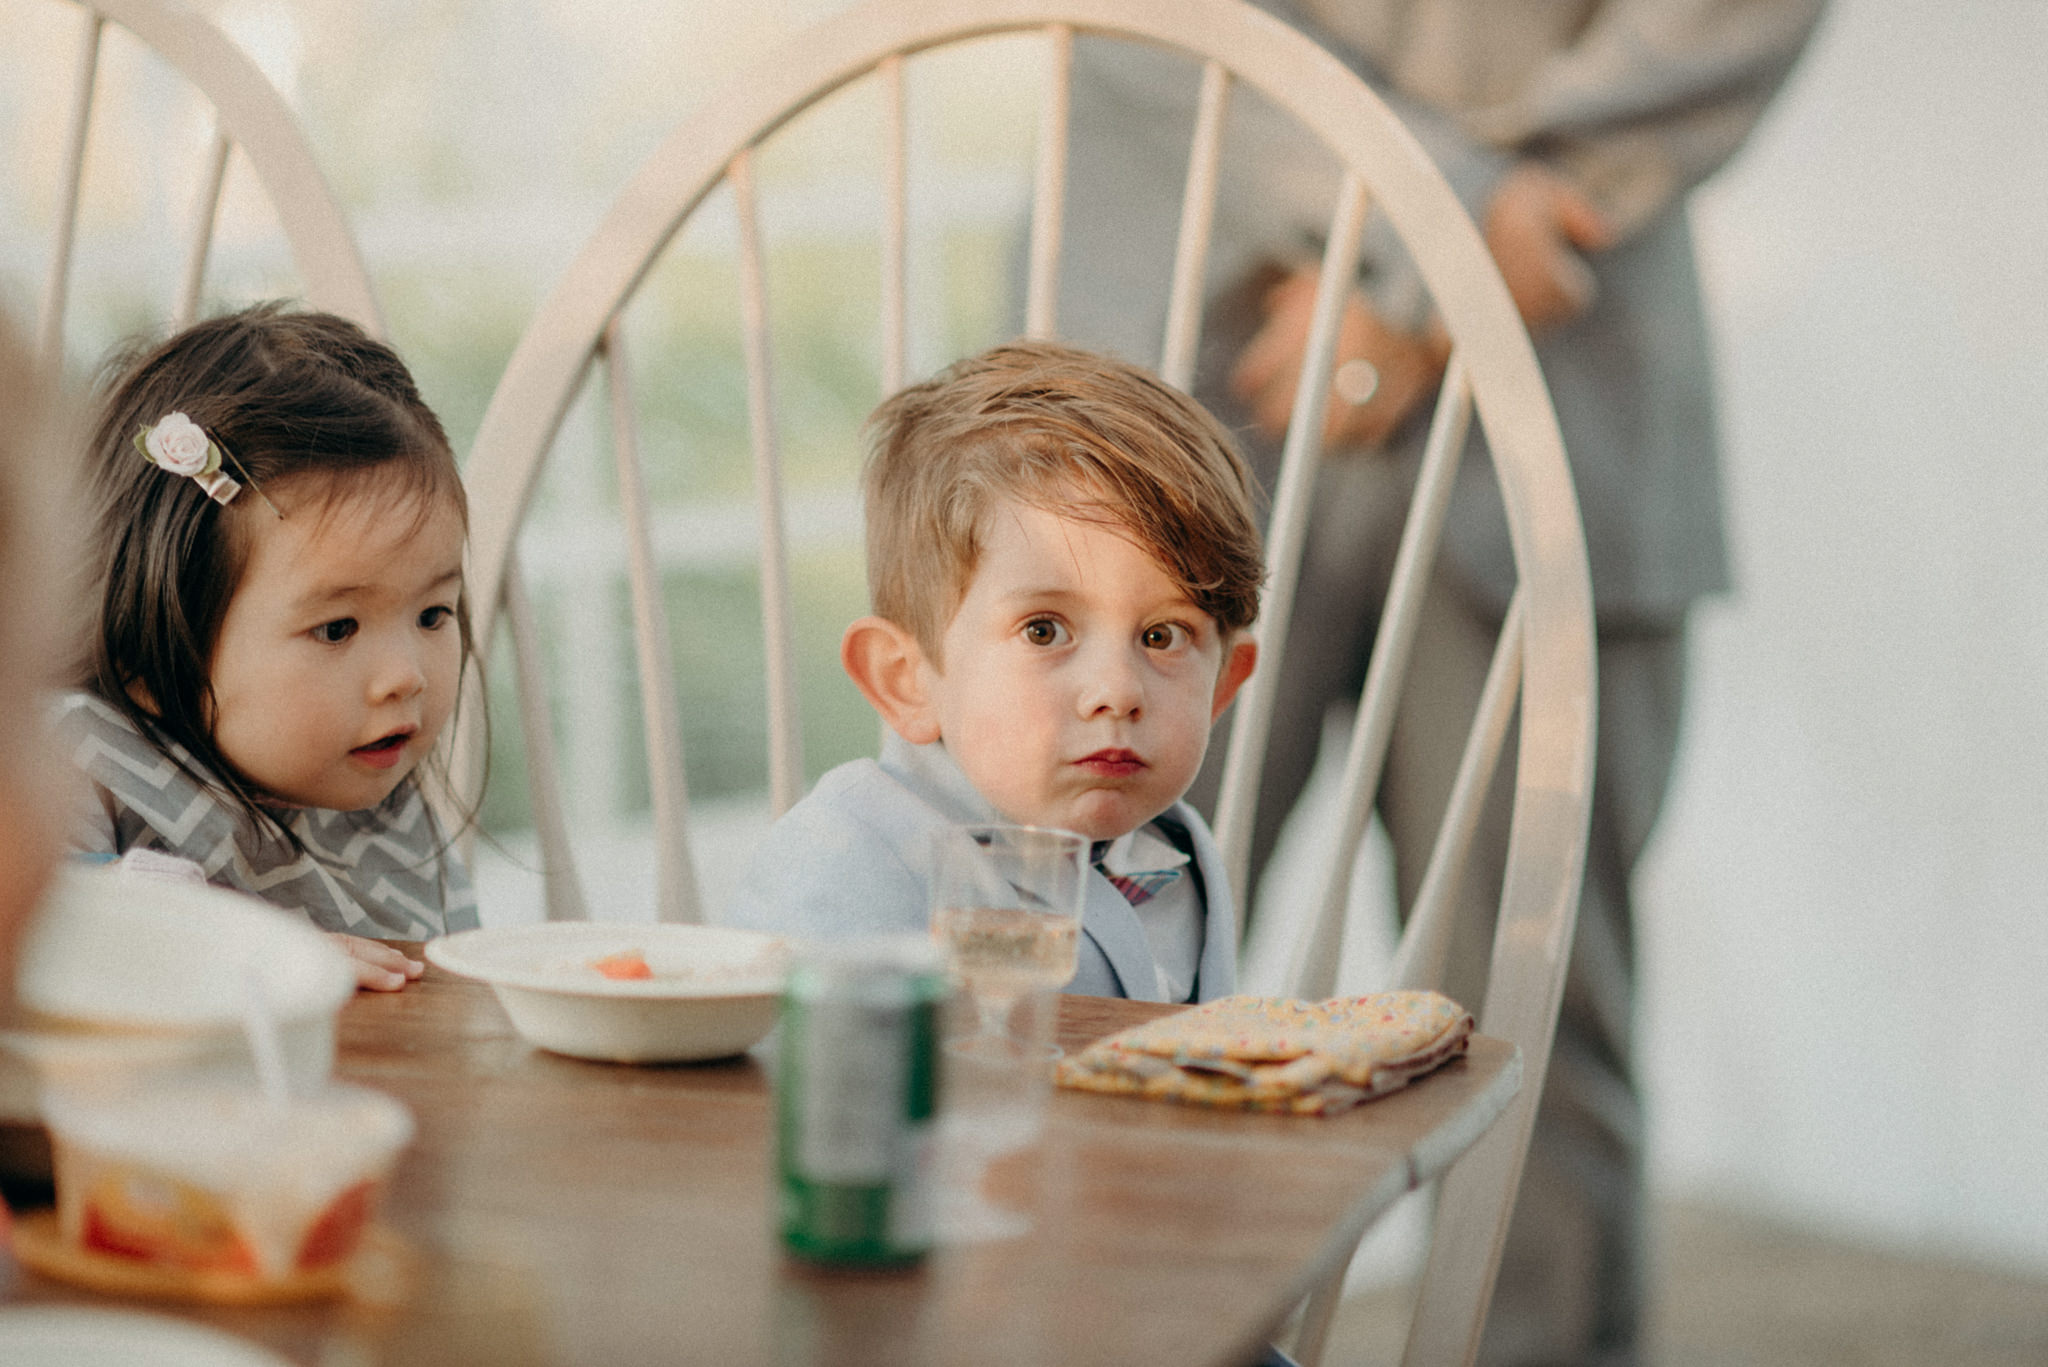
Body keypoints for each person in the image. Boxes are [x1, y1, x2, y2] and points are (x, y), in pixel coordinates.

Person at [1048, 3, 1827, 1363]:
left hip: (1562, 363)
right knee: (1073, 979)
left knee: (1536, 1021)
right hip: (1177, 366)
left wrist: (1430, 269)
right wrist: (1453, 225)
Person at [725, 341, 1262, 1003]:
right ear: (905, 680)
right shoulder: (845, 865)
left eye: (1161, 635)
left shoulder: (1184, 855)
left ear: (1224, 683)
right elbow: (807, 1089)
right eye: (1044, 630)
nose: (1117, 691)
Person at [56, 304, 482, 991]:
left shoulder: (380, 800)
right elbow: (41, 936)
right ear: (155, 651)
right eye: (337, 628)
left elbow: (448, 1015)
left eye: (433, 613)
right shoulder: (84, 764)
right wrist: (235, 951)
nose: (406, 677)